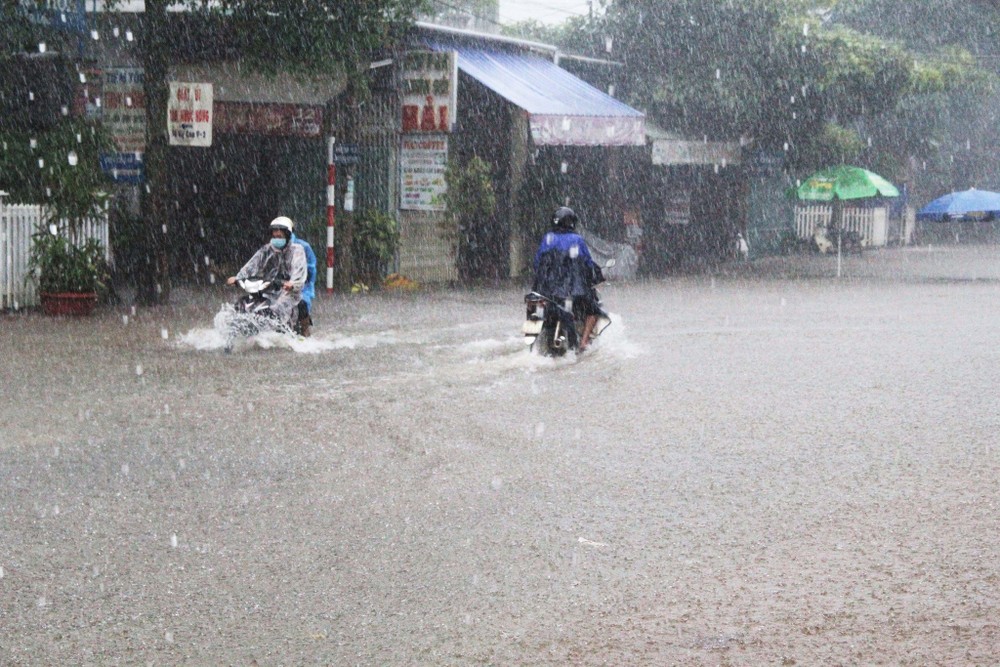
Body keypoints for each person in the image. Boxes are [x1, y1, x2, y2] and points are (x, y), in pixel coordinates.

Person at [532, 206, 604, 352]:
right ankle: (583, 343)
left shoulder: (547, 238)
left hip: (547, 292)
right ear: (571, 222)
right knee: (594, 311)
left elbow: (537, 264)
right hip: (573, 291)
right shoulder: (577, 239)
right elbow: (588, 264)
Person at [226, 217, 307, 328]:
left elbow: (299, 270)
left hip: (287, 291)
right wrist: (238, 278)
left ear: (287, 236)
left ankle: (283, 329)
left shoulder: (297, 250)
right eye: (274, 236)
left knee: (278, 308)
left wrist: (293, 284)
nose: (276, 238)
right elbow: (252, 264)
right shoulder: (266, 250)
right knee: (244, 304)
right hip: (267, 287)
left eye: (279, 236)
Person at [285, 218, 317, 337]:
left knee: (301, 303)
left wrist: (295, 279)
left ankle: (305, 330)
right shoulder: (271, 248)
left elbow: (310, 270)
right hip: (277, 284)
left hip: (301, 286)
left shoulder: (303, 246)